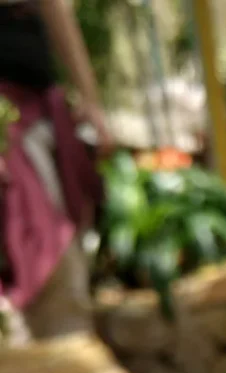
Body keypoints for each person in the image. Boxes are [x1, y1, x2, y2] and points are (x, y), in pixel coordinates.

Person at [0, 0, 110, 339]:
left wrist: (91, 103)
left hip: (38, 120)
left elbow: (56, 10)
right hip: (12, 132)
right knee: (48, 254)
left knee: (60, 259)